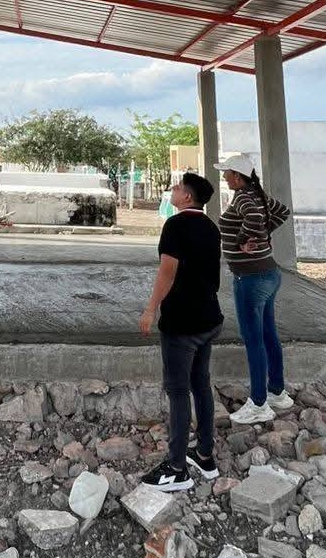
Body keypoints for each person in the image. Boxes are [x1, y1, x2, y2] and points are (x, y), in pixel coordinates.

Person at [138, 171, 224, 492]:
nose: (172, 190)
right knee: (200, 384)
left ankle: (176, 469)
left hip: (183, 325)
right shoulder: (210, 227)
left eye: (177, 187)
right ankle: (204, 454)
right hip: (209, 320)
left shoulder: (175, 225)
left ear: (187, 197)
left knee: (177, 392)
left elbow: (167, 272)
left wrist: (151, 309)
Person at [218, 153, 293, 425]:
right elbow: (282, 212)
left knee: (254, 340)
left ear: (238, 177)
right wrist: (262, 233)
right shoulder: (257, 195)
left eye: (227, 172)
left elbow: (251, 217)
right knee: (268, 334)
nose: (224, 176)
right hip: (268, 274)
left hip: (251, 279)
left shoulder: (243, 198)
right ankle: (277, 392)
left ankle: (259, 403)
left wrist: (242, 239)